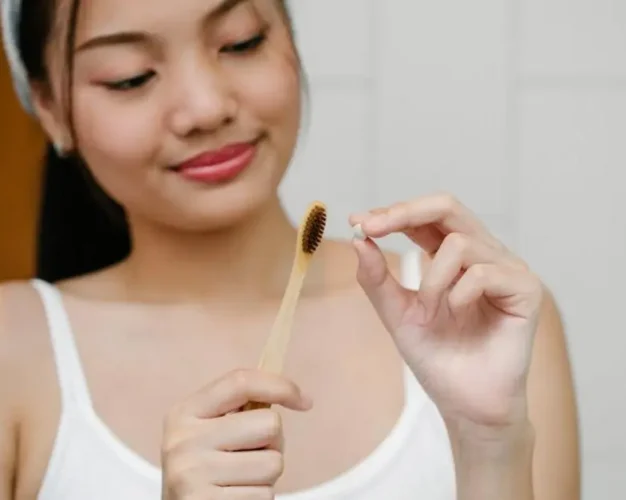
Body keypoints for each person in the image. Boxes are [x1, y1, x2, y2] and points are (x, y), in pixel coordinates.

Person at [0, 0, 581, 498]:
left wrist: (490, 447)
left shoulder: (474, 317)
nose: (205, 107)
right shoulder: (13, 352)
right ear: (50, 109)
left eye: (240, 43)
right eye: (130, 77)